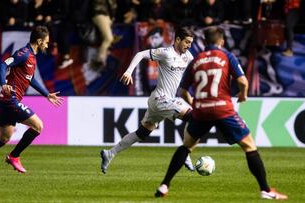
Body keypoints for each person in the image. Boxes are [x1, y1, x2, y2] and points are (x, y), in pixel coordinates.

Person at [154, 27, 288, 200]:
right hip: (222, 108)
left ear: (205, 42)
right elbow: (243, 81)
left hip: (201, 110)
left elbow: (182, 91)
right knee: (249, 145)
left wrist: (196, 103)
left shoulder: (196, 60)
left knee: (187, 146)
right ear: (221, 42)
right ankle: (265, 190)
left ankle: (164, 185)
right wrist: (243, 94)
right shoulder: (226, 56)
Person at [0, 26, 64, 175]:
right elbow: (3, 64)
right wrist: (3, 84)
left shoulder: (32, 57)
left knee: (4, 138)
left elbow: (30, 79)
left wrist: (46, 94)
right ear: (39, 41)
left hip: (6, 100)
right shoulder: (24, 54)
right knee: (38, 126)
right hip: (10, 99)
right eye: (46, 42)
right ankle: (14, 156)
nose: (47, 45)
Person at [100, 28, 196, 174]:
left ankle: (110, 153)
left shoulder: (187, 56)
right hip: (160, 99)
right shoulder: (165, 53)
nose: (189, 45)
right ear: (177, 40)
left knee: (142, 132)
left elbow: (196, 69)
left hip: (164, 100)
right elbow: (140, 54)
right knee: (192, 117)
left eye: (190, 43)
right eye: (187, 42)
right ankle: (185, 154)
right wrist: (128, 71)